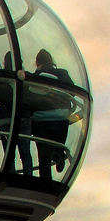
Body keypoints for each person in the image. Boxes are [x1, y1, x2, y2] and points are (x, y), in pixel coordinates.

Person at [30, 49, 73, 179]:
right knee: (57, 145)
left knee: (43, 154)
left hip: (40, 120)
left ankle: (45, 181)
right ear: (51, 61)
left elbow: (28, 95)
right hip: (60, 117)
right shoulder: (62, 73)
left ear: (37, 62)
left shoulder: (34, 76)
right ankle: (59, 155)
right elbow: (71, 91)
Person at [0, 51, 32, 175]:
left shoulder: (1, 77)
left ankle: (11, 177)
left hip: (5, 119)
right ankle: (28, 178)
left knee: (9, 154)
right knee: (25, 153)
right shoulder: (25, 77)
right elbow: (30, 97)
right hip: (23, 118)